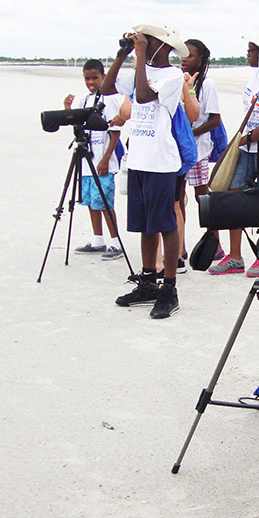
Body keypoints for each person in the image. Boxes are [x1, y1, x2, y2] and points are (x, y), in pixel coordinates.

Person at [101, 23, 187, 319]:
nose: (142, 44)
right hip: (137, 160)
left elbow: (145, 96)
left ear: (162, 45)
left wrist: (138, 58)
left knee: (165, 224)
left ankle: (169, 287)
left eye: (146, 40)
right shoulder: (141, 68)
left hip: (161, 162)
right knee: (144, 225)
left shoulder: (173, 75)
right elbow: (106, 88)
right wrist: (122, 55)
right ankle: (148, 280)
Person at [208, 32, 259, 278]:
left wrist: (237, 143)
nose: (248, 54)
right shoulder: (256, 73)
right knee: (233, 192)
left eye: (251, 50)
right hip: (250, 144)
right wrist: (242, 143)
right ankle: (235, 257)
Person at [64, 58, 125, 258]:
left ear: (103, 77)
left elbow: (115, 132)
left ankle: (115, 242)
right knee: (90, 201)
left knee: (105, 202)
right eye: (87, 78)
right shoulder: (85, 99)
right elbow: (77, 126)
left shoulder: (110, 99)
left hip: (102, 160)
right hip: (86, 162)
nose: (91, 82)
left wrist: (106, 159)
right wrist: (68, 110)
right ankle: (98, 239)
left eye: (95, 78)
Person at [174, 39, 221, 273]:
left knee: (202, 197)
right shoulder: (177, 80)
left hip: (199, 149)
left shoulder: (208, 84)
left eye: (190, 55)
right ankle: (180, 246)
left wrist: (191, 133)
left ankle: (215, 243)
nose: (184, 59)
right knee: (177, 198)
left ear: (201, 59)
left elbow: (215, 120)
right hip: (180, 150)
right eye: (182, 54)